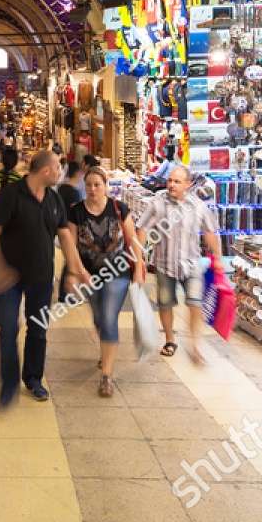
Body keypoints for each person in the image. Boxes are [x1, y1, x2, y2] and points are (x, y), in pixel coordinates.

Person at [0, 149, 88, 405]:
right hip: (10, 277)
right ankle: (9, 383)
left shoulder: (54, 199)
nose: (60, 172)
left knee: (38, 330)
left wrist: (76, 269)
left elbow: (65, 235)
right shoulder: (11, 195)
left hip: (42, 276)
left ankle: (33, 379)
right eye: (57, 167)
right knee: (9, 329)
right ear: (45, 170)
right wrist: (0, 266)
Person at [69, 166, 146, 397]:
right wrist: (78, 273)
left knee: (109, 317)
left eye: (97, 185)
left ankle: (107, 375)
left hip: (118, 273)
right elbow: (71, 246)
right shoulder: (76, 212)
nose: (92, 189)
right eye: (89, 185)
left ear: (106, 187)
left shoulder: (119, 209)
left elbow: (133, 241)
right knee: (99, 318)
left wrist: (139, 267)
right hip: (89, 274)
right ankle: (105, 351)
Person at [136, 165, 222, 365]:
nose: (171, 185)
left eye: (177, 182)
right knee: (165, 304)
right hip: (164, 264)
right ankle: (169, 339)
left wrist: (217, 257)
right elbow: (142, 228)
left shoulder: (198, 206)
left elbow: (209, 231)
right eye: (170, 181)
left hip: (191, 264)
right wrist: (139, 256)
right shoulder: (158, 203)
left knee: (195, 304)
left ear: (188, 185)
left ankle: (195, 345)